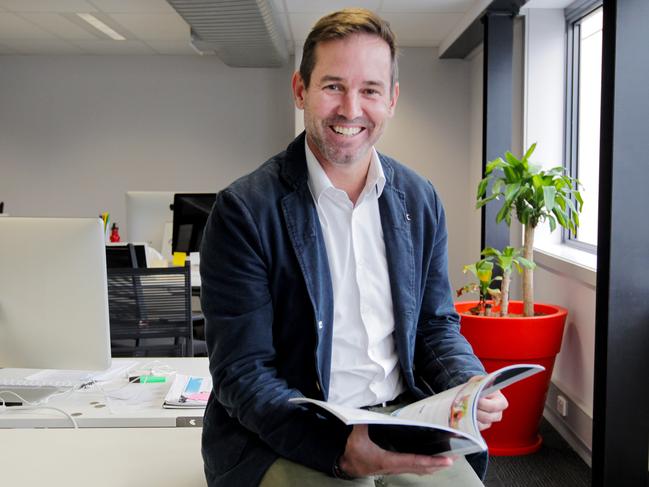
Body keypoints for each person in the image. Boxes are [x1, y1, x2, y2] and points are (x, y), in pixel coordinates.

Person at [200, 8, 508, 487]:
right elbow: (243, 372)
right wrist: (338, 450)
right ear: (301, 89)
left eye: (369, 90)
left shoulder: (419, 199)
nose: (351, 108)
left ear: (392, 99)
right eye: (332, 86)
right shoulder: (244, 211)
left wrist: (467, 385)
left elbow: (433, 325)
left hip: (403, 419)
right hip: (288, 432)